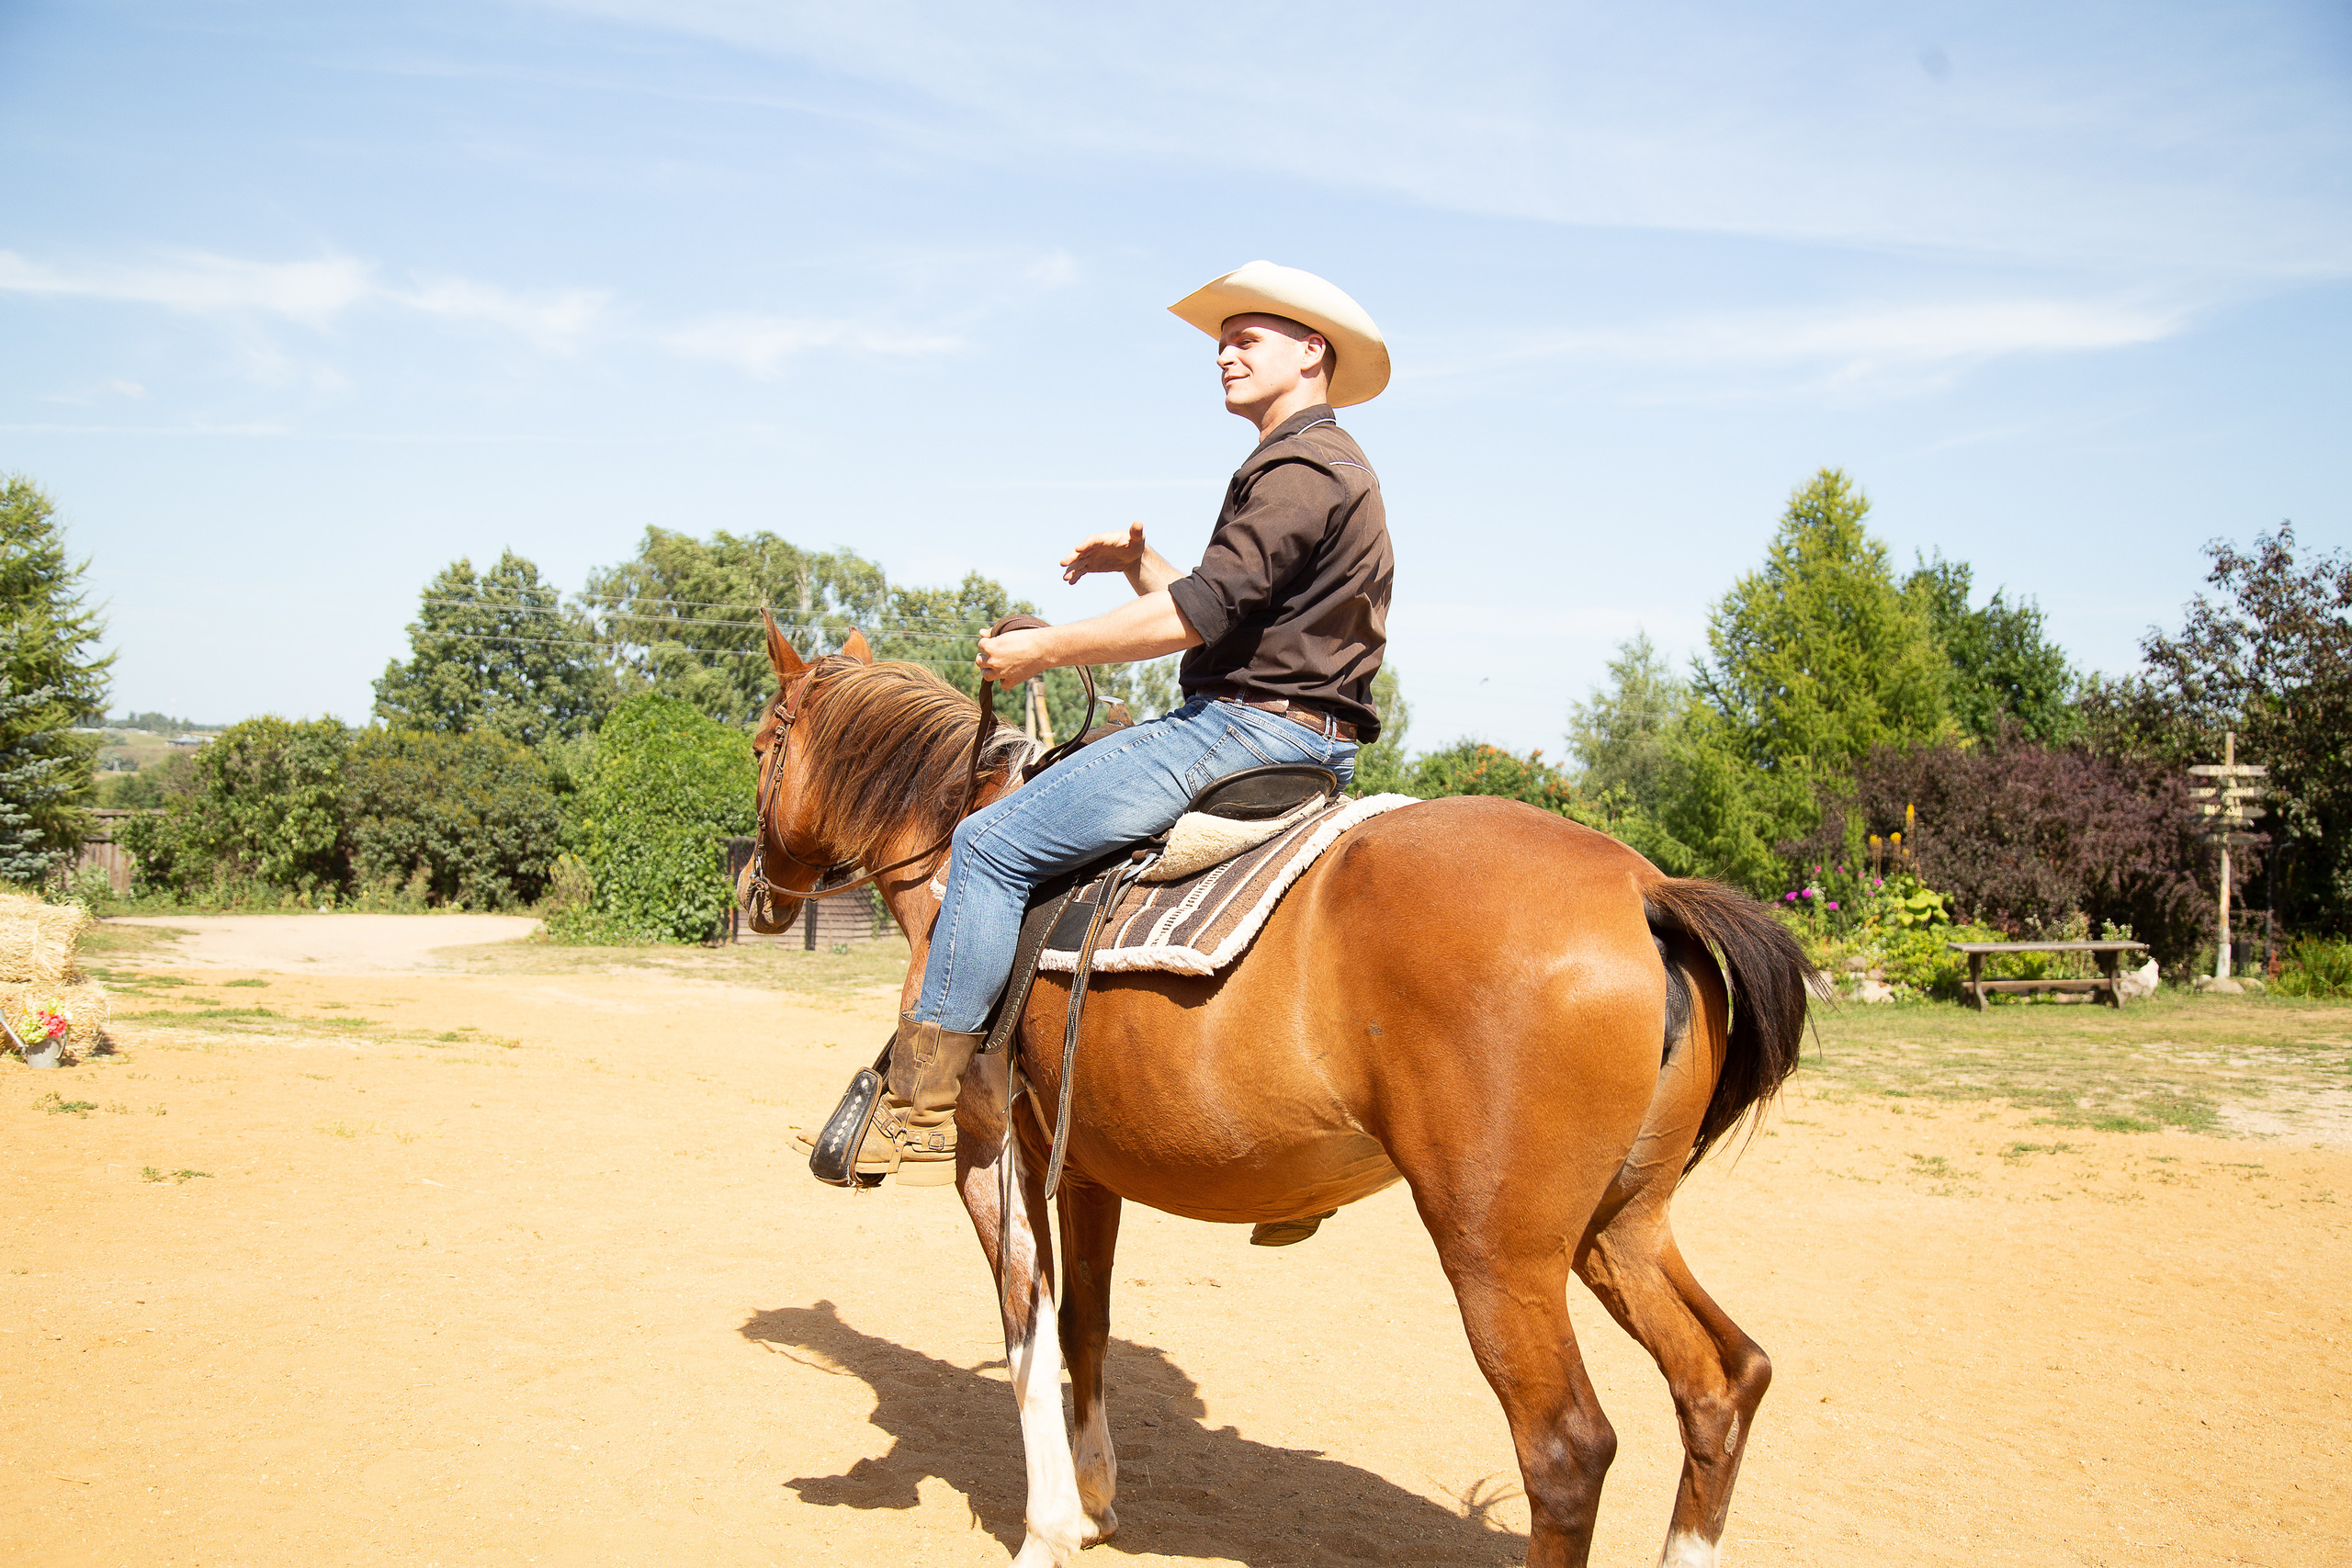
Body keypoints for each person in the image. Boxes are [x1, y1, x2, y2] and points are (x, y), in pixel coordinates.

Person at [831, 260, 1395, 1184]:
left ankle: (922, 1108)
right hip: (1301, 729)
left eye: (1245, 339)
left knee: (985, 846)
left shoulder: (1298, 462)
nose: (1222, 354)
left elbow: (1198, 617)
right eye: (1222, 340)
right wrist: (1143, 565)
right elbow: (1237, 609)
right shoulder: (1327, 466)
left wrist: (1043, 651)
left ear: (1310, 351)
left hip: (1244, 728)